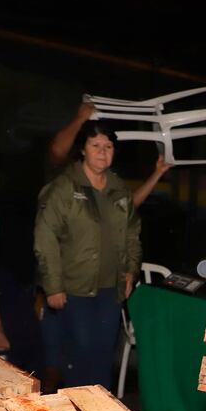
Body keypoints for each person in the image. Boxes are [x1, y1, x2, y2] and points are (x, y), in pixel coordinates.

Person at [34, 121, 142, 388]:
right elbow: (45, 238)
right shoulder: (64, 188)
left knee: (103, 356)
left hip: (110, 289)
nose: (103, 152)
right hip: (73, 288)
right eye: (95, 145)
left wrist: (130, 272)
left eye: (108, 146)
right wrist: (53, 286)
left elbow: (132, 234)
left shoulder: (119, 189)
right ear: (82, 149)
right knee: (78, 357)